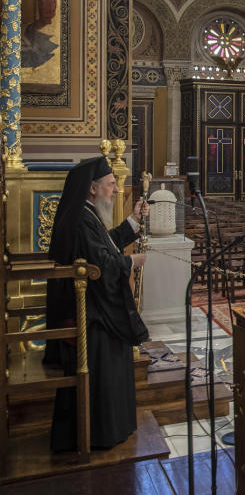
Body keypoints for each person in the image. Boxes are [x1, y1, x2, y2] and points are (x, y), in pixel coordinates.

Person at [45, 156, 149, 451]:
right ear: (93, 188)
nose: (117, 190)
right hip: (89, 314)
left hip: (93, 305)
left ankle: (113, 427)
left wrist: (134, 221)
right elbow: (101, 262)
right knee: (112, 337)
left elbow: (107, 243)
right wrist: (130, 261)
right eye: (112, 185)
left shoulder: (87, 214)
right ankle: (100, 432)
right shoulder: (81, 219)